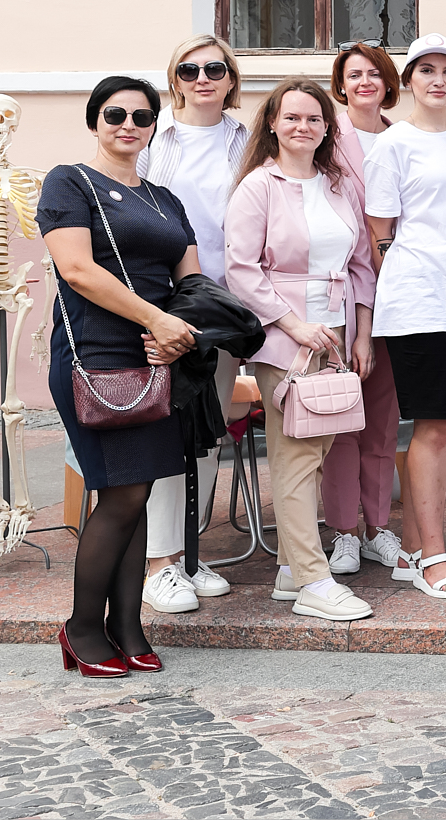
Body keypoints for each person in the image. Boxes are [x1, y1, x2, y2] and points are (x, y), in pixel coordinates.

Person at [43, 77, 201, 675]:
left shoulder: (165, 199)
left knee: (135, 493)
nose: (128, 124)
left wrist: (178, 333)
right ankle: (83, 628)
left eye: (141, 115)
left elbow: (191, 280)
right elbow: (77, 270)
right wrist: (155, 320)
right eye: (115, 114)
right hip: (95, 354)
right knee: (122, 492)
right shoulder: (70, 182)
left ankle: (127, 627)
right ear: (95, 122)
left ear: (155, 126)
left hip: (157, 358)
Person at [224, 79, 378, 621]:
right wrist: (293, 326)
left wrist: (361, 333)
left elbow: (361, 265)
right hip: (283, 336)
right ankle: (315, 580)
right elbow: (241, 269)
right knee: (296, 455)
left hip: (335, 330)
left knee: (320, 448)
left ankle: (292, 569)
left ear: (327, 128)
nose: (302, 127)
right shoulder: (257, 187)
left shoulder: (338, 184)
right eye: (291, 117)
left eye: (313, 119)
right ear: (272, 123)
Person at [364, 34, 446, 599]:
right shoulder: (394, 144)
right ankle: (433, 555)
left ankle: (413, 551)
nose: (438, 80)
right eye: (426, 70)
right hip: (422, 303)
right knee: (435, 426)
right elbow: (380, 232)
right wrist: (413, 286)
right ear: (409, 80)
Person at [135, 35, 246, 615]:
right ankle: (159, 564)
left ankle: (188, 555)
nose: (202, 78)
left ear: (231, 78)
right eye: (189, 69)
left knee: (206, 431)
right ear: (174, 79)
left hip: (224, 307)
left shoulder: (248, 139)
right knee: (165, 433)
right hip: (163, 304)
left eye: (215, 68)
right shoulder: (152, 139)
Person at [321, 42, 403, 576]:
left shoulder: (405, 137)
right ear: (341, 84)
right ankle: (343, 531)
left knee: (382, 418)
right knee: (341, 418)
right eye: (354, 75)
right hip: (345, 293)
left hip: (399, 294)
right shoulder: (326, 139)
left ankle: (377, 526)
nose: (365, 82)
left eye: (375, 73)